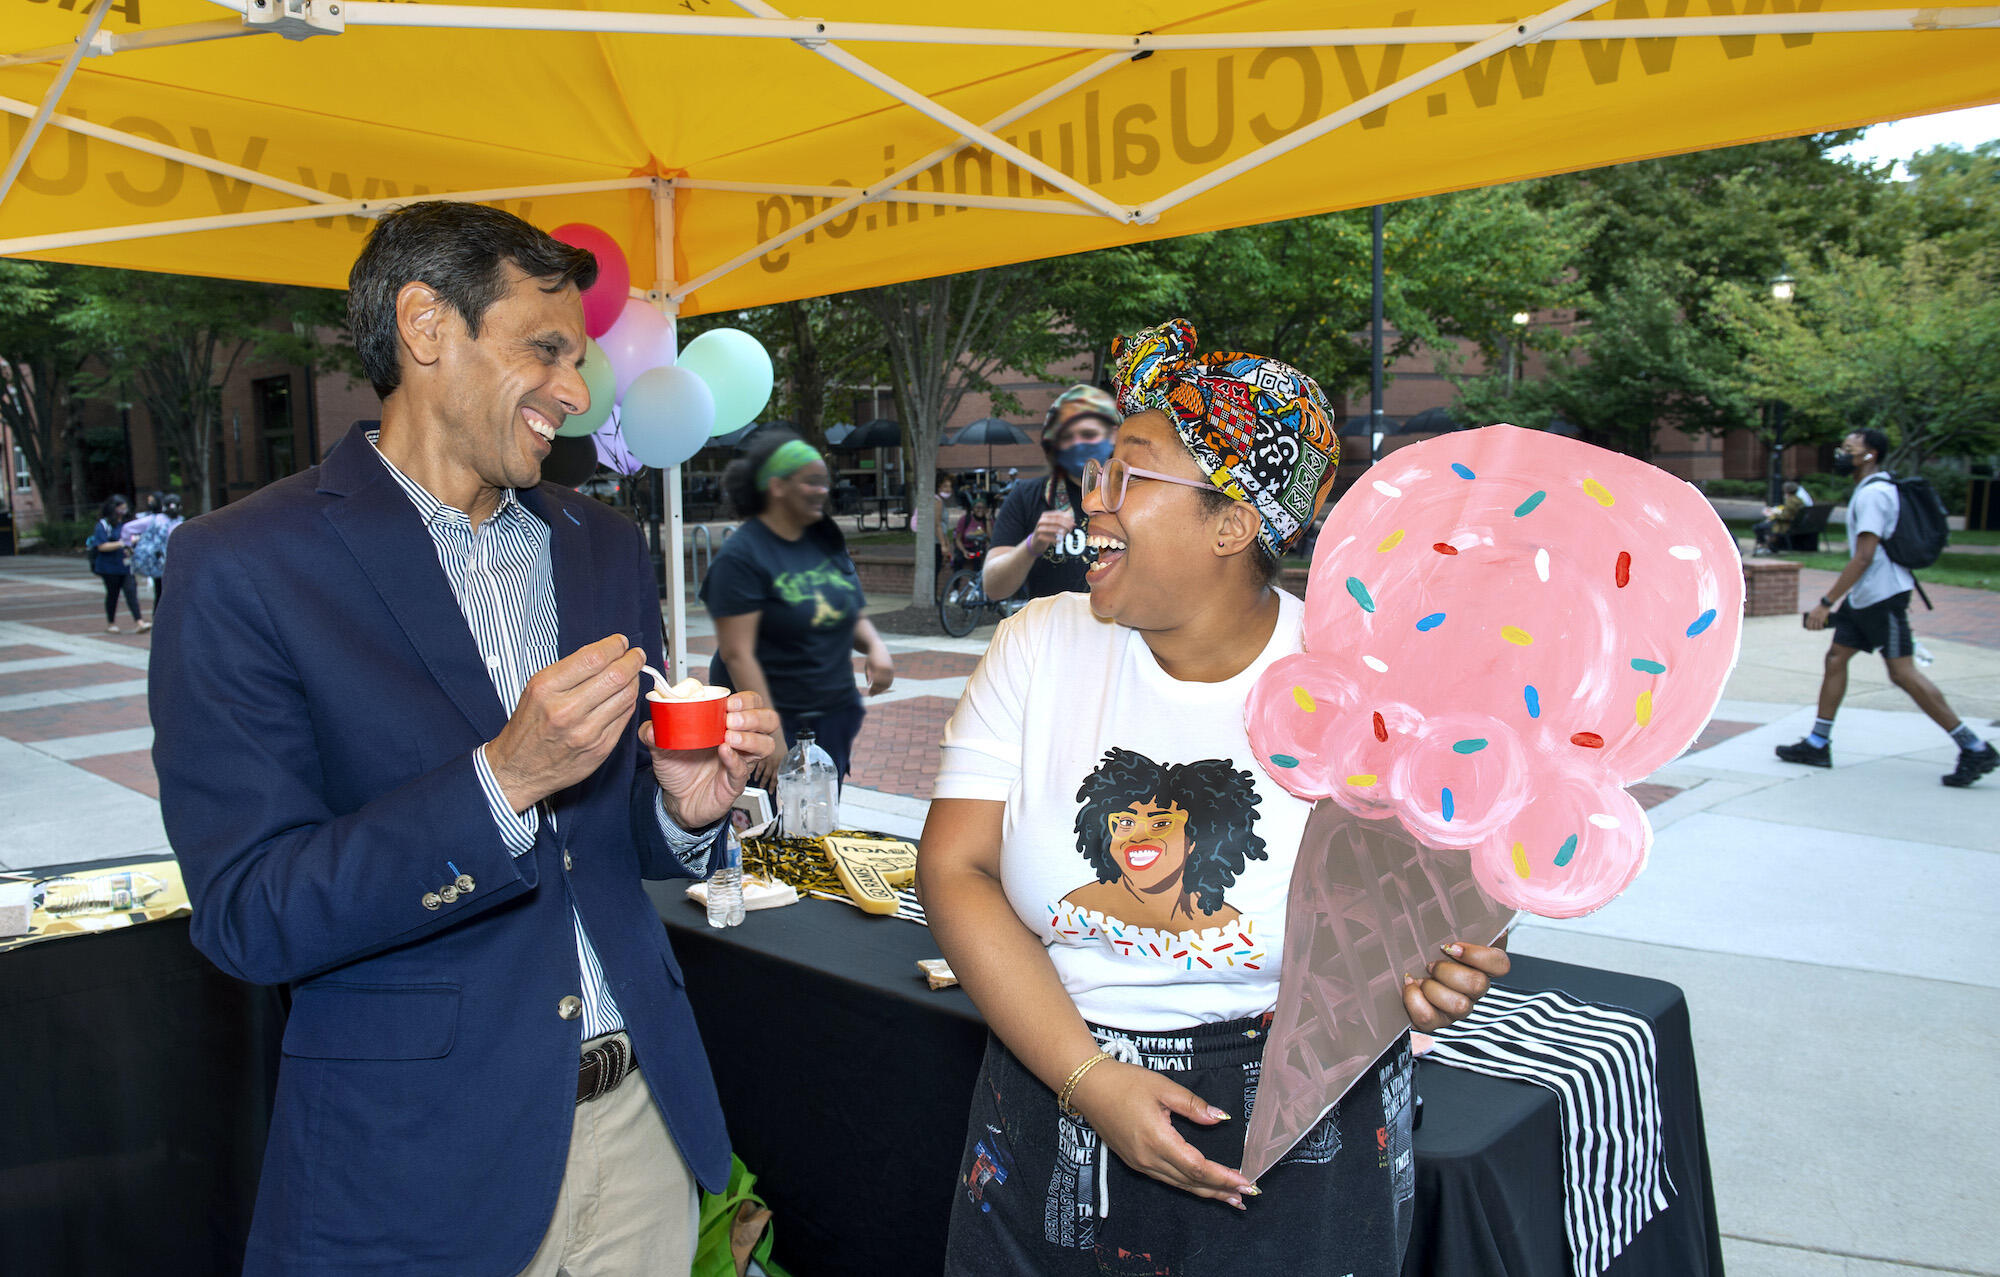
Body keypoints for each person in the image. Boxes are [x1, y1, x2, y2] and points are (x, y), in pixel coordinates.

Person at [149, 201, 781, 1277]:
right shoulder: (244, 565)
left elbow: (597, 844)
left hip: (644, 1132)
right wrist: (499, 781)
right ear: (426, 325)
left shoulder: (601, 545)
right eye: (546, 349)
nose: (575, 393)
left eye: (579, 360)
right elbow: (249, 913)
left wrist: (679, 809)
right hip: (418, 1169)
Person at [920, 319, 1508, 1275]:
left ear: (1233, 525)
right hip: (1052, 1076)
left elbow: (1429, 911)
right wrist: (1090, 1079)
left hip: (1300, 1123)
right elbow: (956, 868)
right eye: (1099, 469)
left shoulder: (1362, 685)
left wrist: (1440, 970)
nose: (1092, 496)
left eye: (1130, 474)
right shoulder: (1038, 645)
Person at [1776, 427, 1998, 786]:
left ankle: (1974, 747)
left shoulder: (1875, 494)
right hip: (1865, 597)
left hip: (1883, 597)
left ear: (1870, 455)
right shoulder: (1869, 489)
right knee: (1836, 658)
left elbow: (1864, 557)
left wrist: (1826, 602)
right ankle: (1817, 743)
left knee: (1902, 673)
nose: (1841, 454)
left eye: (1849, 448)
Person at [701, 429, 894, 787]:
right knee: (773, 815)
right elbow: (737, 652)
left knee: (821, 811)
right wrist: (772, 736)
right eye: (810, 481)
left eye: (823, 481)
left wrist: (875, 647)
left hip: (826, 712)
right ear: (777, 487)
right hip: (770, 712)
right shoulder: (742, 555)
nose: (822, 490)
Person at [982, 385, 1121, 603]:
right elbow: (993, 587)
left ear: (1113, 434)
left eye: (1088, 434)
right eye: (1067, 436)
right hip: (1050, 625)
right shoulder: (1027, 497)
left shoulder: (1136, 494)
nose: (1078, 443)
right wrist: (1031, 546)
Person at [87, 494, 146, 633]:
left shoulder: (128, 523)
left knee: (131, 591)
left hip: (126, 565)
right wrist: (122, 543)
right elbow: (101, 546)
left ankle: (139, 622)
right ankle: (111, 623)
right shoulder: (103, 525)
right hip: (109, 567)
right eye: (120, 508)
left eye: (124, 508)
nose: (123, 511)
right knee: (113, 594)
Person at [122, 491, 184, 602]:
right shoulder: (180, 523)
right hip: (173, 562)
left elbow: (127, 528)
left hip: (157, 561)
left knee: (160, 593)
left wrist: (128, 546)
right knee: (170, 593)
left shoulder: (153, 519)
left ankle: (159, 612)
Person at [1752, 481, 1805, 554]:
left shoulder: (1790, 501)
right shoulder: (1798, 500)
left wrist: (1773, 515)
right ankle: (1768, 546)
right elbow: (1789, 513)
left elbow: (1786, 516)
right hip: (1792, 524)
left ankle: (1766, 546)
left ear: (1786, 490)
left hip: (1784, 525)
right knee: (1762, 526)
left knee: (1757, 527)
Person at [954, 496, 992, 571]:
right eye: (977, 507)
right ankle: (957, 577)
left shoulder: (988, 521)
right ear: (973, 509)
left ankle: (976, 577)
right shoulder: (965, 519)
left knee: (977, 558)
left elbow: (990, 537)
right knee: (958, 560)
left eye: (983, 508)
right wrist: (964, 551)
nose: (980, 510)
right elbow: (958, 539)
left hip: (979, 549)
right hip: (965, 548)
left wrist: (987, 519)